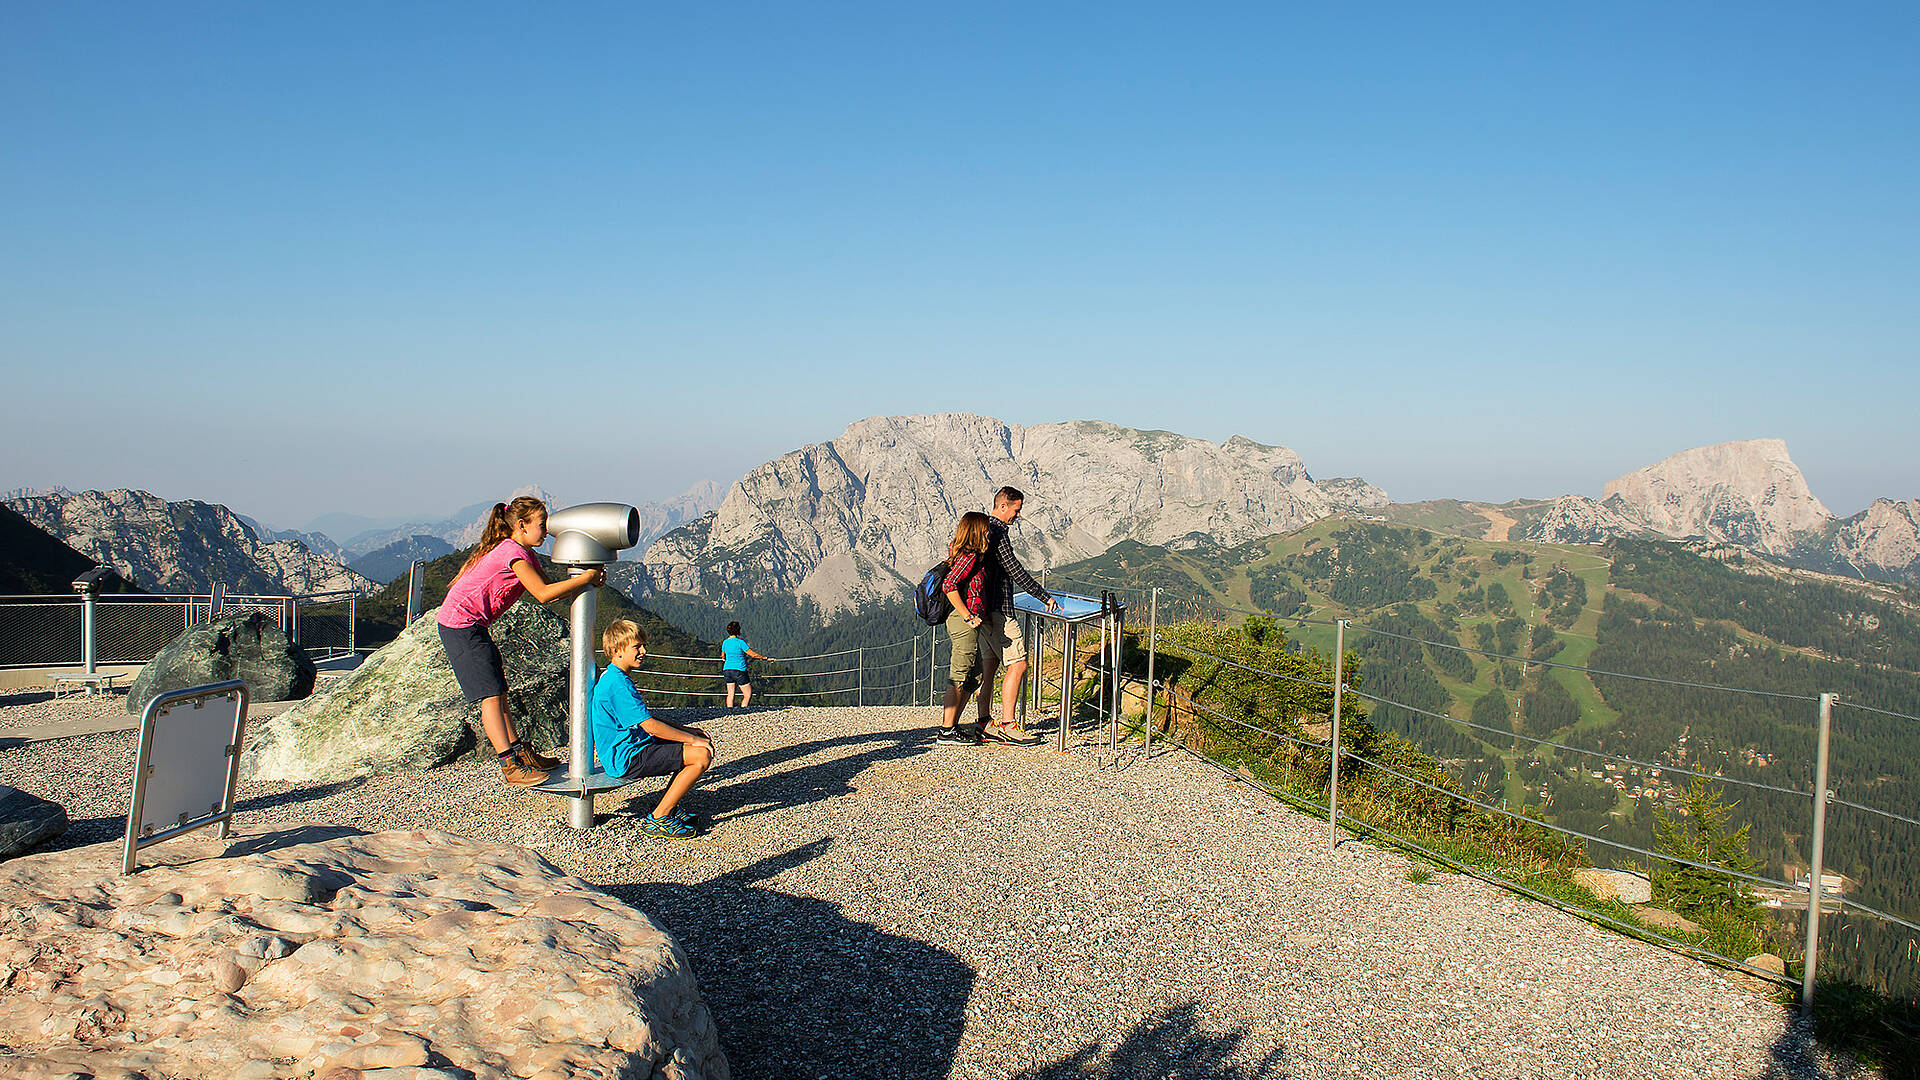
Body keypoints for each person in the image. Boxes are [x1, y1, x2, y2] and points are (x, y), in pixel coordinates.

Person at [437, 496, 604, 785]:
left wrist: (586, 580)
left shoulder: (522, 552)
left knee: (499, 692)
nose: (546, 530)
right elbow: (542, 593)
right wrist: (586, 577)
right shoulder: (511, 554)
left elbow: (553, 588)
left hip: (471, 626)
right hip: (461, 626)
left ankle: (520, 753)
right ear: (522, 526)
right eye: (542, 524)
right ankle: (510, 765)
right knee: (490, 698)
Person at [593, 619, 714, 838]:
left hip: (633, 746)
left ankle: (670, 805)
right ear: (617, 650)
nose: (643, 651)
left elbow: (644, 718)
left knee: (691, 743)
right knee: (701, 755)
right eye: (637, 647)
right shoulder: (617, 684)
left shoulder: (615, 677)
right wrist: (692, 739)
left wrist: (687, 732)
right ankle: (659, 817)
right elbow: (649, 725)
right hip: (626, 757)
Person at [975, 486, 1057, 744]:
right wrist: (1044, 596)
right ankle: (1009, 725)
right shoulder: (997, 533)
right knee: (1018, 664)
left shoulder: (981, 529)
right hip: (1000, 610)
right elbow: (1016, 571)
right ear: (1002, 506)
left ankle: (984, 721)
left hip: (982, 611)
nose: (1017, 515)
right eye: (1016, 510)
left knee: (990, 666)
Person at [934, 512, 995, 746]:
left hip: (967, 621)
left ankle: (953, 726)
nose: (989, 533)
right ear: (977, 530)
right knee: (960, 672)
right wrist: (968, 615)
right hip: (963, 622)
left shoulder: (966, 552)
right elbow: (949, 585)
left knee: (974, 672)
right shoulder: (969, 555)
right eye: (986, 529)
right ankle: (946, 730)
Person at [720, 621, 768, 708]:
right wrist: (764, 657)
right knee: (747, 694)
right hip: (739, 670)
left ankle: (729, 713)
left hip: (727, 669)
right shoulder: (740, 642)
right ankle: (743, 711)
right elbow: (753, 654)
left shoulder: (725, 642)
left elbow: (723, 655)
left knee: (730, 694)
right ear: (738, 631)